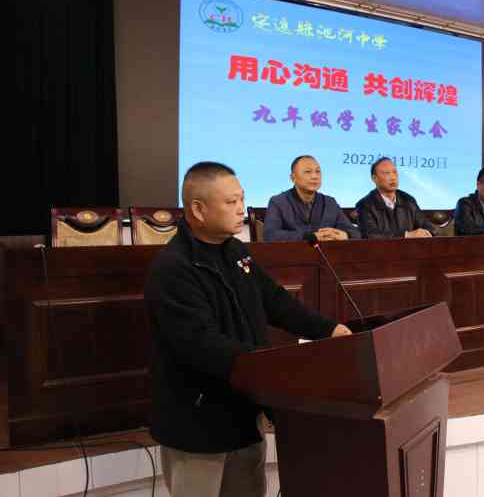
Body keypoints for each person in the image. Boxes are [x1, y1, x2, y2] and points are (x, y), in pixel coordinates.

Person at [145, 162, 351, 497]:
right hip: (197, 423)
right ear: (198, 209)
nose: (242, 208)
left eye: (242, 199)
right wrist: (274, 368)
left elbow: (276, 303)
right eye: (231, 202)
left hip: (243, 414)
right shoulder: (173, 268)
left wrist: (329, 330)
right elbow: (202, 345)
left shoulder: (236, 251)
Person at [264, 155, 358, 241]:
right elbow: (270, 235)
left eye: (318, 171)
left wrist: (346, 235)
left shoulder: (330, 203)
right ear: (293, 178)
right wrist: (310, 237)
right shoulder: (278, 202)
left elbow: (356, 233)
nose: (314, 176)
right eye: (308, 172)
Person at [355, 157, 437, 239]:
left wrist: (427, 233)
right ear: (374, 178)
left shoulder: (408, 200)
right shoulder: (364, 205)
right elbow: (370, 235)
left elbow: (428, 226)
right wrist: (406, 235)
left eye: (395, 172)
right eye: (387, 173)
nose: (393, 177)